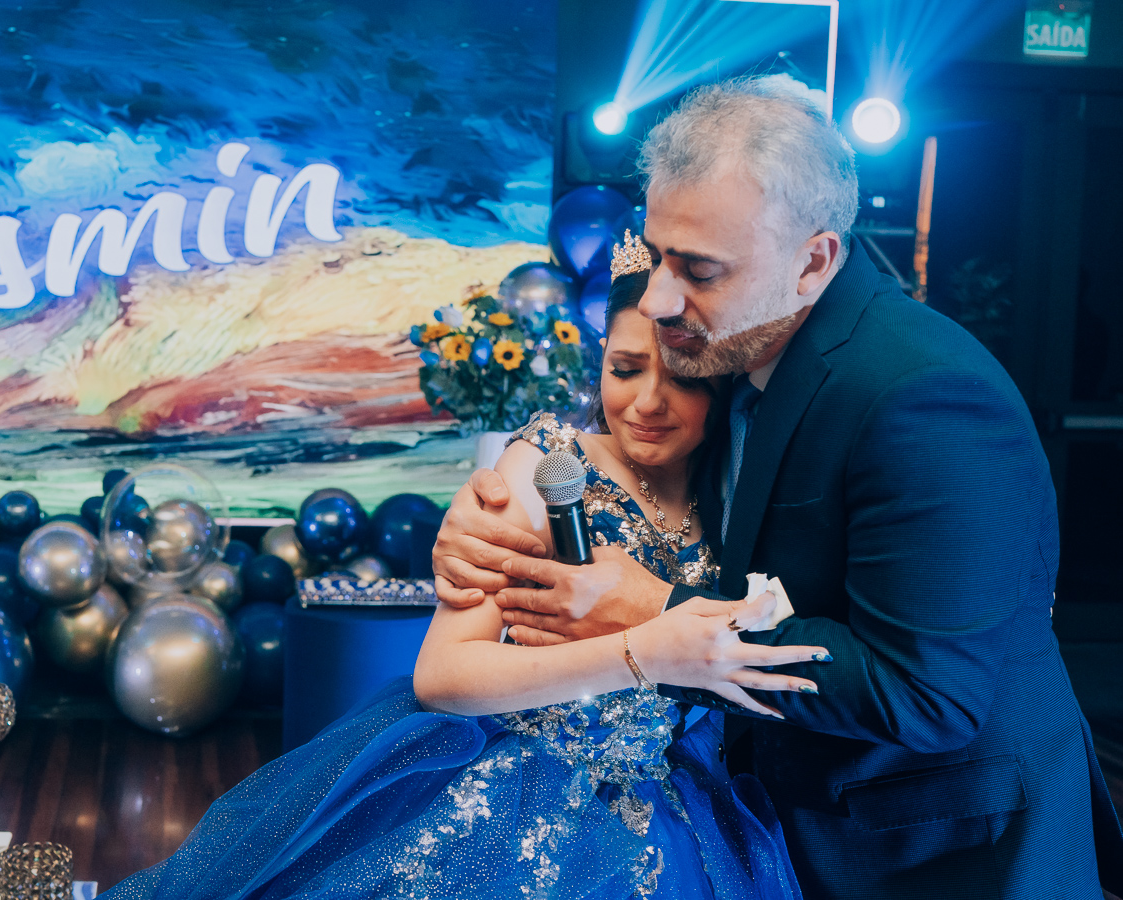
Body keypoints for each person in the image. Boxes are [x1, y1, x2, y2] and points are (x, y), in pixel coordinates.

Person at [432, 76, 1123, 900]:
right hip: (783, 827)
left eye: (699, 269)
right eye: (657, 254)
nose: (659, 299)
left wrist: (656, 611)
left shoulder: (923, 395)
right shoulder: (730, 353)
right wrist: (478, 518)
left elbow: (926, 696)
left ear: (813, 262)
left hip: (937, 847)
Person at [97, 254, 832, 900]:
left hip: (677, 813)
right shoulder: (550, 464)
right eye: (625, 369)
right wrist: (642, 654)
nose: (646, 402)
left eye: (682, 377)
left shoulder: (737, 493)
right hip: (526, 797)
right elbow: (442, 674)